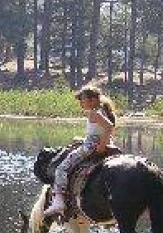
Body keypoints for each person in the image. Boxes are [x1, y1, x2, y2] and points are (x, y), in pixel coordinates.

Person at [45, 86, 116, 217]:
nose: (80, 103)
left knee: (61, 168)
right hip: (91, 142)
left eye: (82, 99)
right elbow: (99, 132)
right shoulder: (101, 110)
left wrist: (100, 147)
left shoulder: (95, 113)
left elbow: (109, 127)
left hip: (90, 146)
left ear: (93, 100)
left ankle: (59, 200)